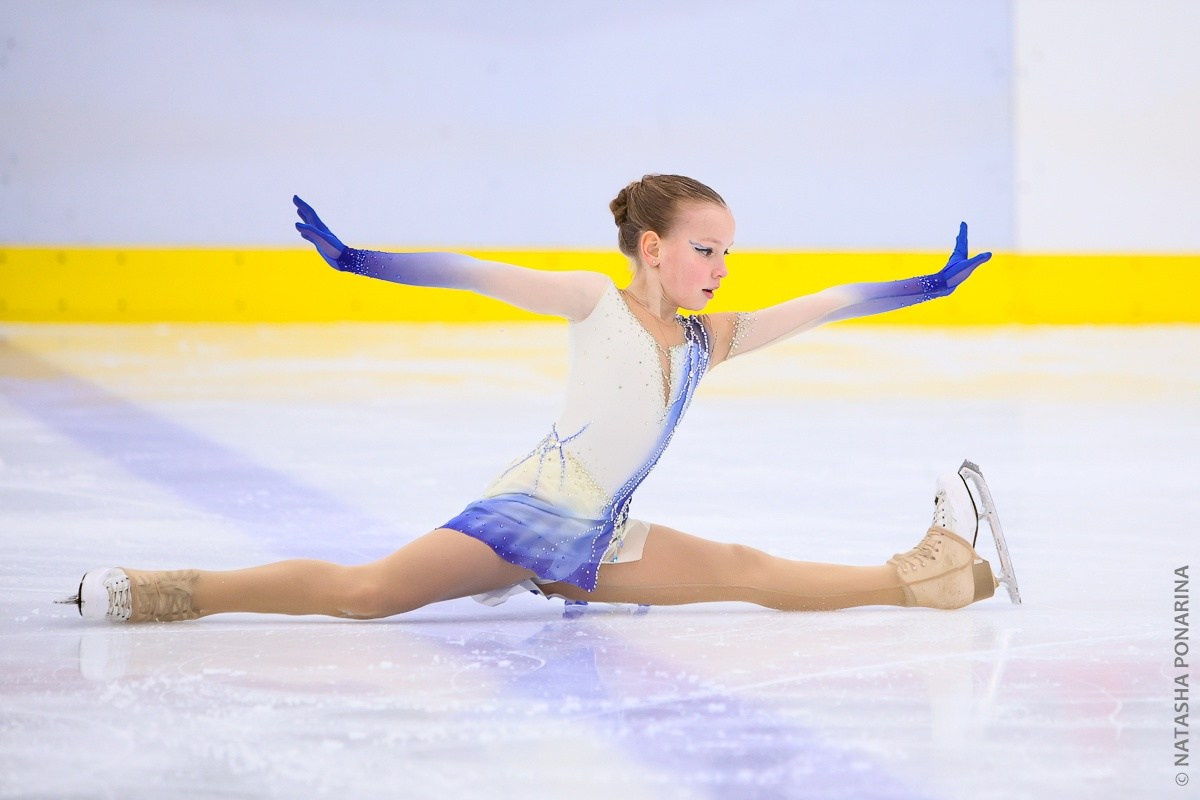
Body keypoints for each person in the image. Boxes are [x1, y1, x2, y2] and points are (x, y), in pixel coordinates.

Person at [64, 174, 1015, 623]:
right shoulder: (592, 304)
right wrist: (362, 262)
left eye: (728, 251)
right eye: (704, 248)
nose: (722, 268)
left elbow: (819, 307)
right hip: (526, 520)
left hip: (598, 534)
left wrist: (924, 287)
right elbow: (474, 272)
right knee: (363, 595)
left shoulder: (705, 339)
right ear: (653, 248)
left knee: (744, 567)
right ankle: (171, 589)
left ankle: (935, 574)